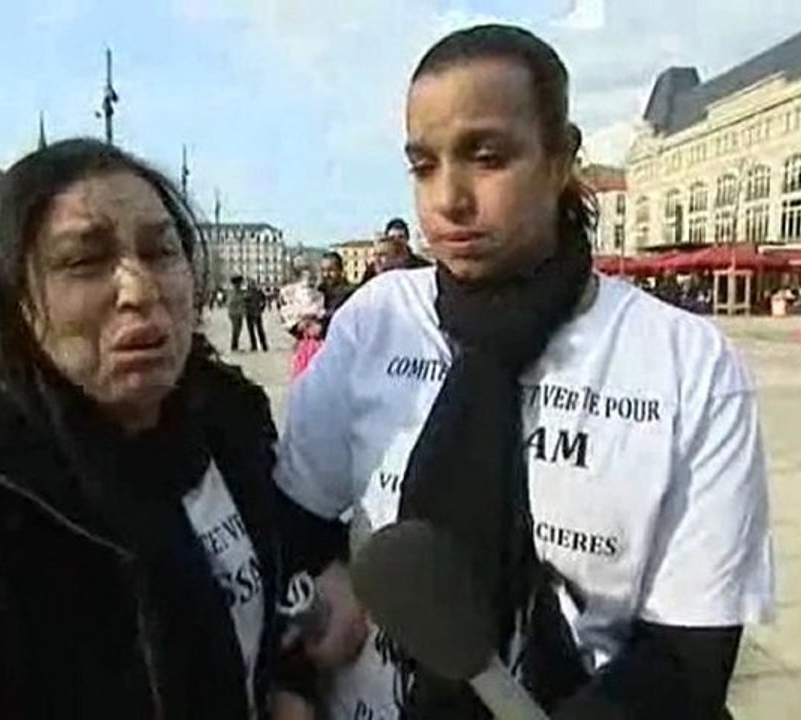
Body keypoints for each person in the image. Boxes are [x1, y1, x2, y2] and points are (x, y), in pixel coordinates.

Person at [274, 24, 772, 720]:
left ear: (561, 157)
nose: (448, 198)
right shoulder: (375, 321)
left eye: (487, 157)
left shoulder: (689, 364)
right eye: (423, 165)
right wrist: (317, 609)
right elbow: (296, 519)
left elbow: (689, 657)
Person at [0, 138, 310, 718]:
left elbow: (265, 605)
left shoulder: (230, 420)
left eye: (161, 251)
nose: (140, 290)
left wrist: (284, 686)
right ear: (17, 298)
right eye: (84, 261)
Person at [318, 252, 355, 337]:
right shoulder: (319, 291)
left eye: (330, 270)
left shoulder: (349, 294)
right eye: (323, 270)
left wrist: (322, 328)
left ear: (340, 270)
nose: (326, 274)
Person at [246, 280, 269, 352]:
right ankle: (257, 346)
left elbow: (264, 300)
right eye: (251, 284)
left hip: (255, 313)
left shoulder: (256, 292)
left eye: (253, 284)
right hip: (251, 313)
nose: (252, 286)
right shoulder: (249, 292)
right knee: (253, 331)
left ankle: (262, 346)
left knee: (258, 330)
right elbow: (244, 302)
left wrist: (262, 308)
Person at [228, 275, 248, 352]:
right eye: (238, 283)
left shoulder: (240, 291)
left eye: (240, 283)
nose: (239, 284)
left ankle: (235, 345)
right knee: (236, 329)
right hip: (234, 313)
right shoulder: (233, 292)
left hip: (239, 313)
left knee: (239, 329)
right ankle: (234, 346)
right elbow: (231, 302)